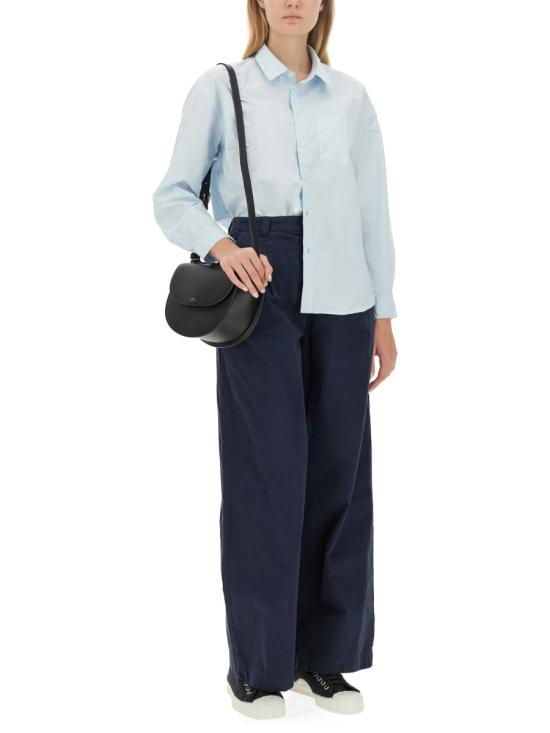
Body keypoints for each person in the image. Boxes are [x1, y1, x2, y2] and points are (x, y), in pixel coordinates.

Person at [152, 0, 398, 720]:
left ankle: (324, 657)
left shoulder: (351, 97)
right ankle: (259, 665)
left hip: (346, 289)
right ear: (259, 2)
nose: (293, 1)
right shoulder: (220, 86)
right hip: (261, 282)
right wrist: (223, 246)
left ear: (323, 5)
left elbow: (373, 210)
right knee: (268, 472)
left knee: (339, 473)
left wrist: (384, 313)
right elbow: (172, 196)